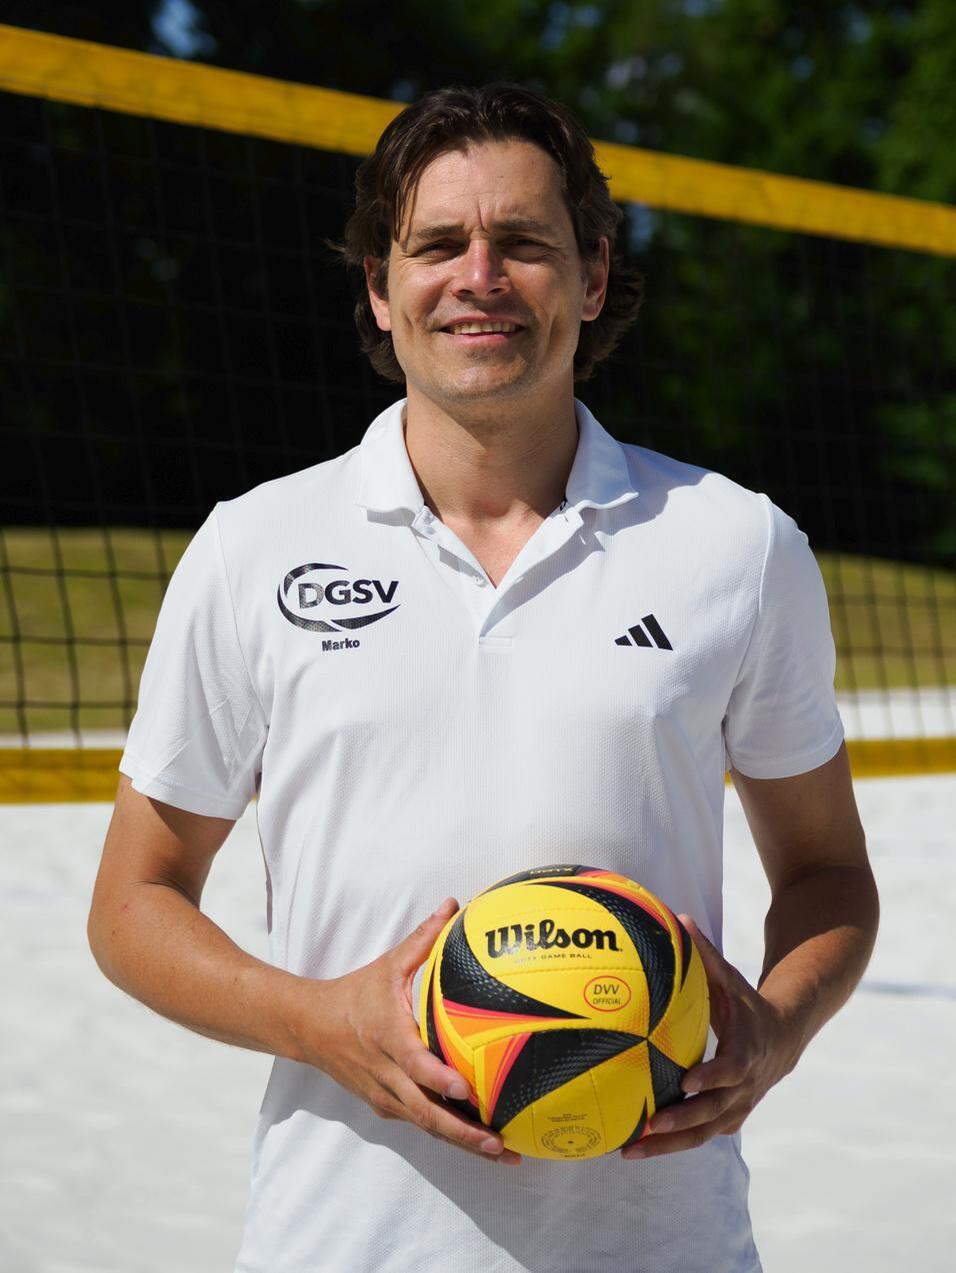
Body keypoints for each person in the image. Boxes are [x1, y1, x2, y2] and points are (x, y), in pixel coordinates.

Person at [88, 83, 879, 1273]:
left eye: (524, 243)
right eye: (436, 244)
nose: (479, 275)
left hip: (662, 1242)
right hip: (343, 1242)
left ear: (593, 277)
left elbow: (827, 874)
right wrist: (318, 1020)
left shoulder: (735, 544)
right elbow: (131, 903)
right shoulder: (254, 545)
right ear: (377, 284)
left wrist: (774, 1027)